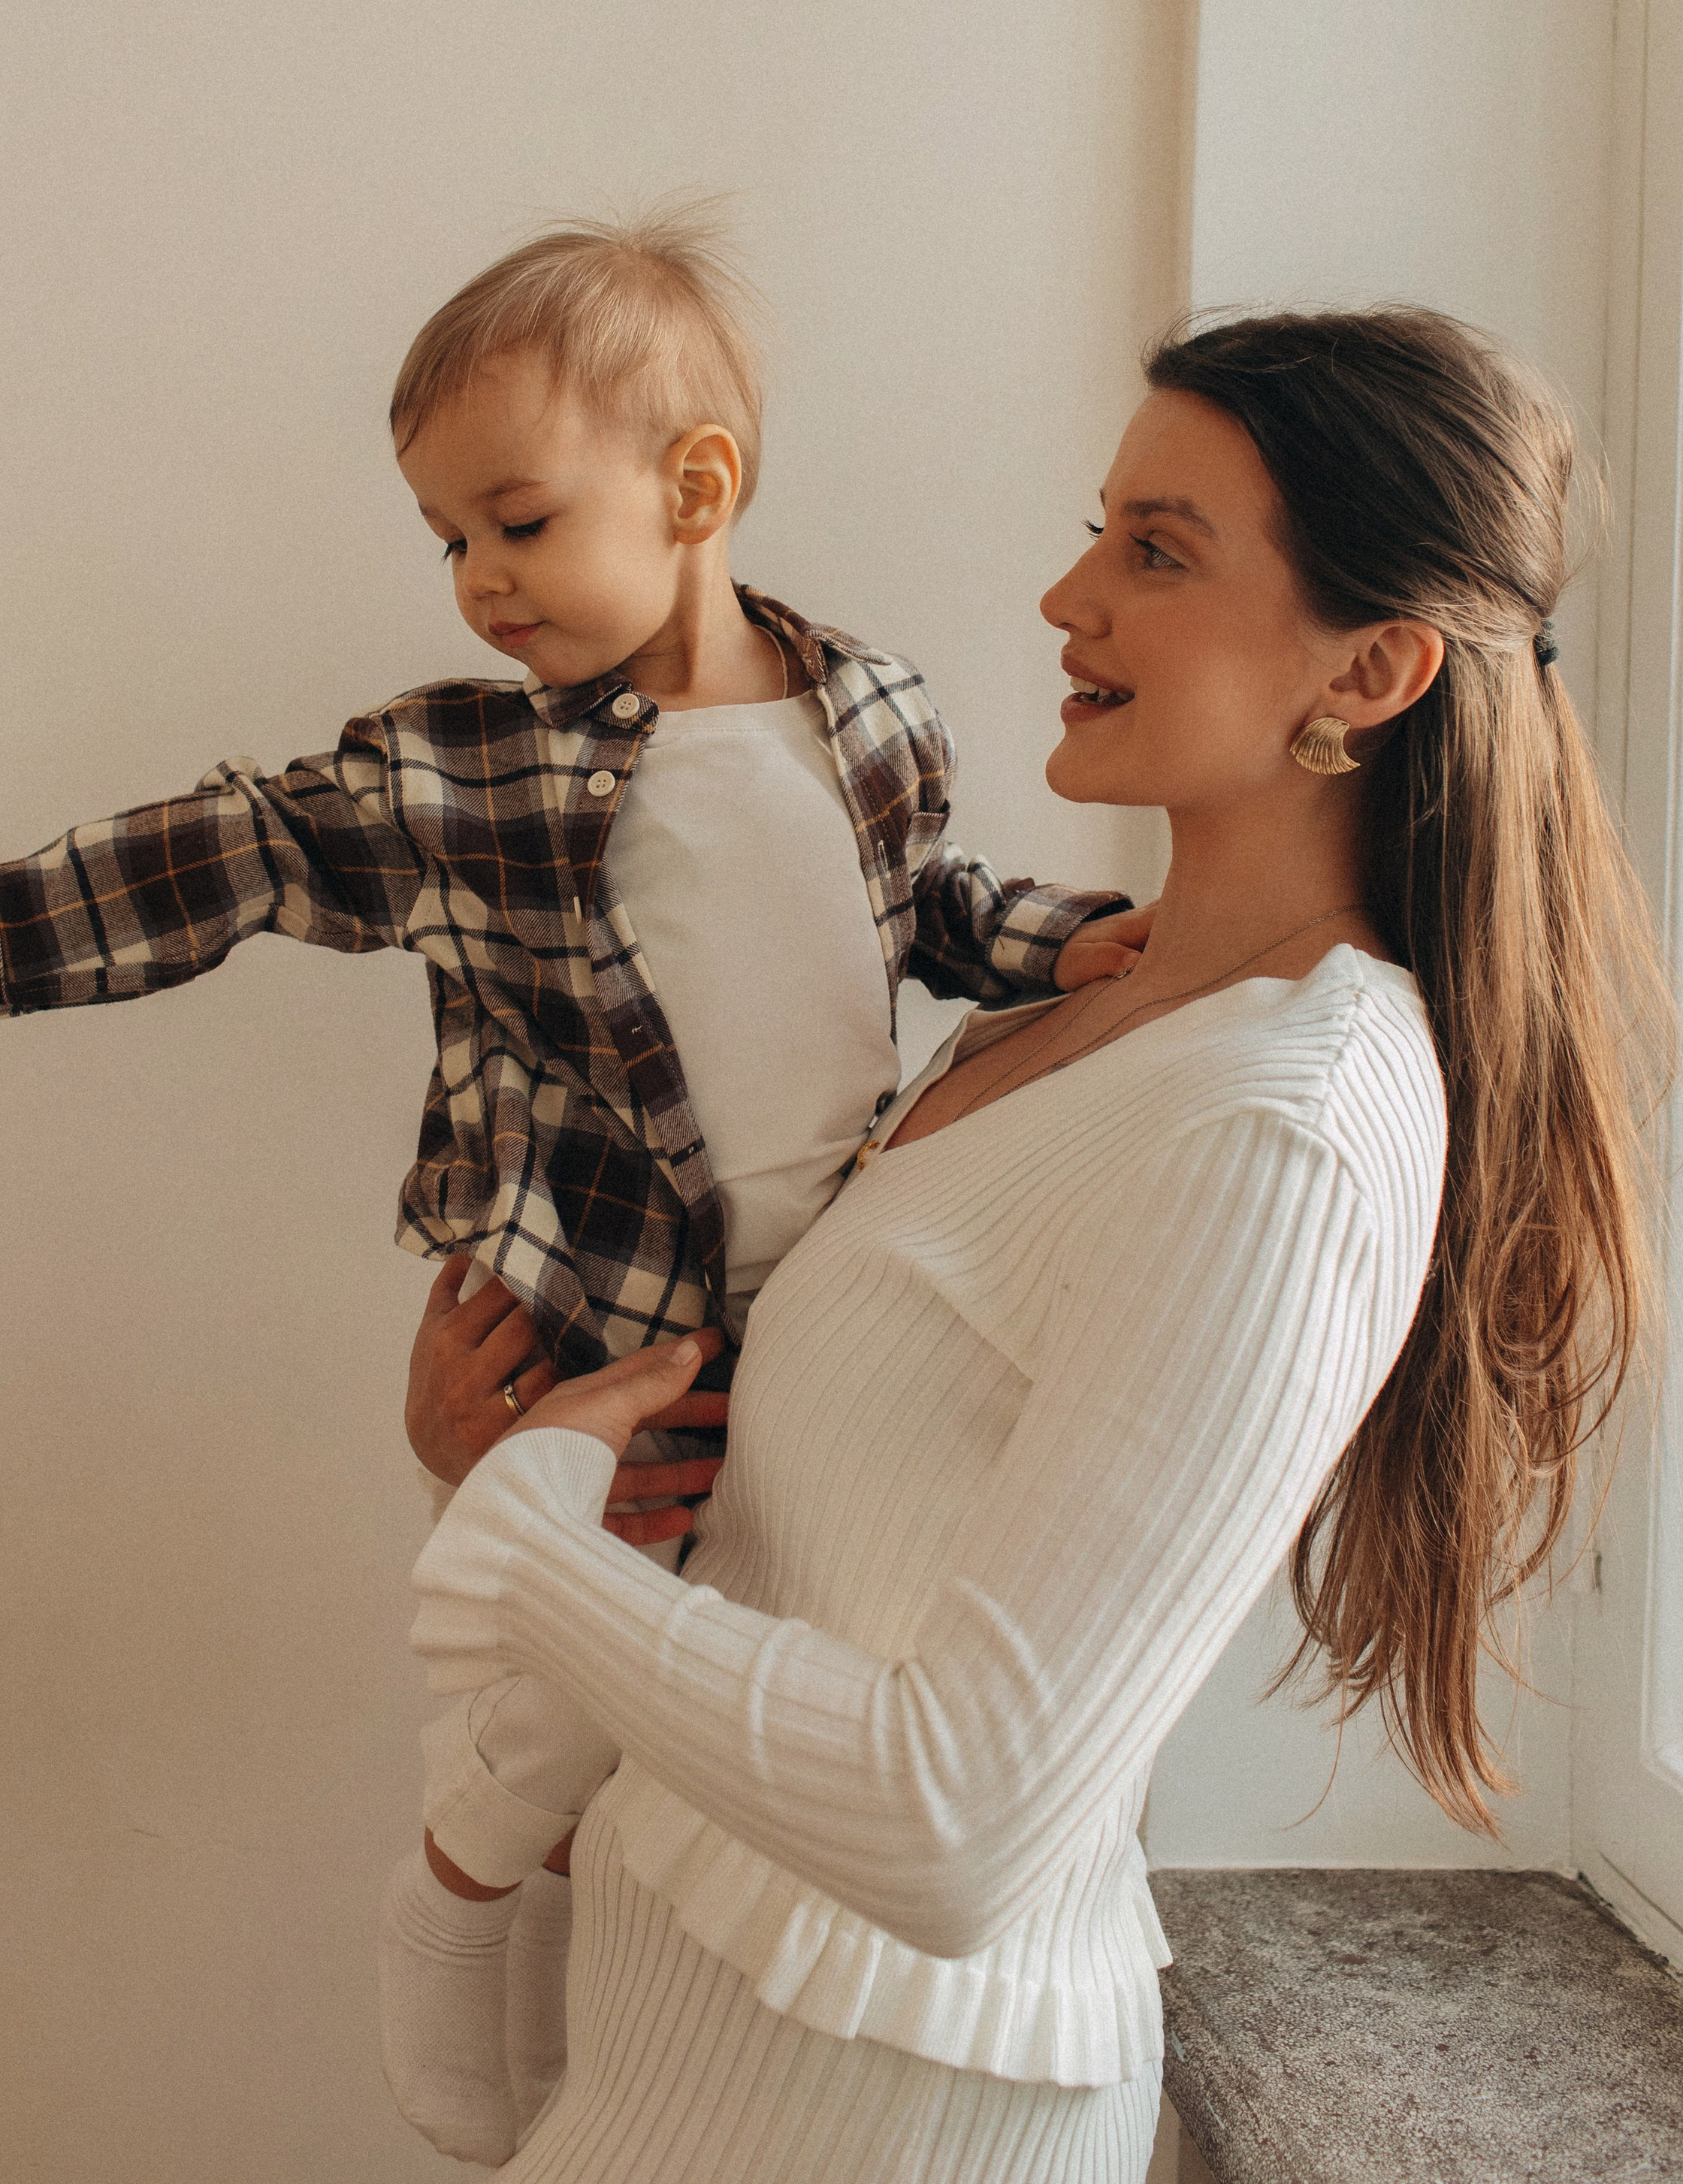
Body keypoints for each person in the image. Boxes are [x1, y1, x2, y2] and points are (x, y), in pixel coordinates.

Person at [0, 208, 1148, 2165]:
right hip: (584, 1291)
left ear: (696, 491)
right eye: (445, 538)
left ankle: (556, 1996)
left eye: (515, 522)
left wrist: (1061, 944)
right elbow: (231, 854)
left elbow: (921, 909)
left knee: (714, 1692)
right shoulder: (457, 776)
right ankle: (455, 1879)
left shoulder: (869, 713)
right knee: (593, 1661)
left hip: (809, 1303)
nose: (476, 581)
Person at [406, 305, 1664, 2183]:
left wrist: (513, 1544)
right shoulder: (1074, 1013)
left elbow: (958, 1822)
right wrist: (520, 1464)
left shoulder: (1286, 1123)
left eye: (1156, 551)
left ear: (1372, 667)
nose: (1069, 597)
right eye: (1099, 531)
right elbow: (801, 1554)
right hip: (699, 2050)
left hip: (884, 2114)